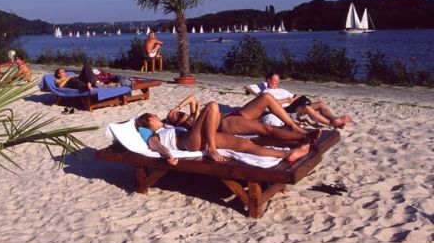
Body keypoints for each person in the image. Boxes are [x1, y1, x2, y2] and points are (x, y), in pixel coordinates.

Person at [135, 101, 310, 164]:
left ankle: (286, 154)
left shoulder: (167, 127)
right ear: (150, 121)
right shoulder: (154, 136)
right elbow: (157, 146)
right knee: (212, 106)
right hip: (188, 143)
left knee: (244, 144)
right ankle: (212, 148)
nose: (159, 117)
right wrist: (168, 154)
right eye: (155, 116)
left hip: (197, 137)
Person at [166, 94, 320, 143]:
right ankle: (302, 136)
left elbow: (192, 97)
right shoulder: (190, 125)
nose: (180, 114)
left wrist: (177, 107)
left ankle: (292, 124)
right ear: (176, 123)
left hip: (237, 114)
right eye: (176, 117)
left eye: (179, 113)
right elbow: (201, 130)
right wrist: (195, 112)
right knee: (265, 129)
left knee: (265, 97)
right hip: (227, 123)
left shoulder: (190, 113)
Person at [263, 72, 353, 129]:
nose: (277, 83)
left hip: (294, 106)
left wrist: (296, 99)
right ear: (268, 80)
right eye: (275, 81)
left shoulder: (282, 90)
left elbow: (294, 97)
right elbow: (271, 105)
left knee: (320, 103)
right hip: (285, 111)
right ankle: (331, 123)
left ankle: (334, 119)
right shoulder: (265, 93)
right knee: (307, 108)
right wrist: (286, 100)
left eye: (278, 81)